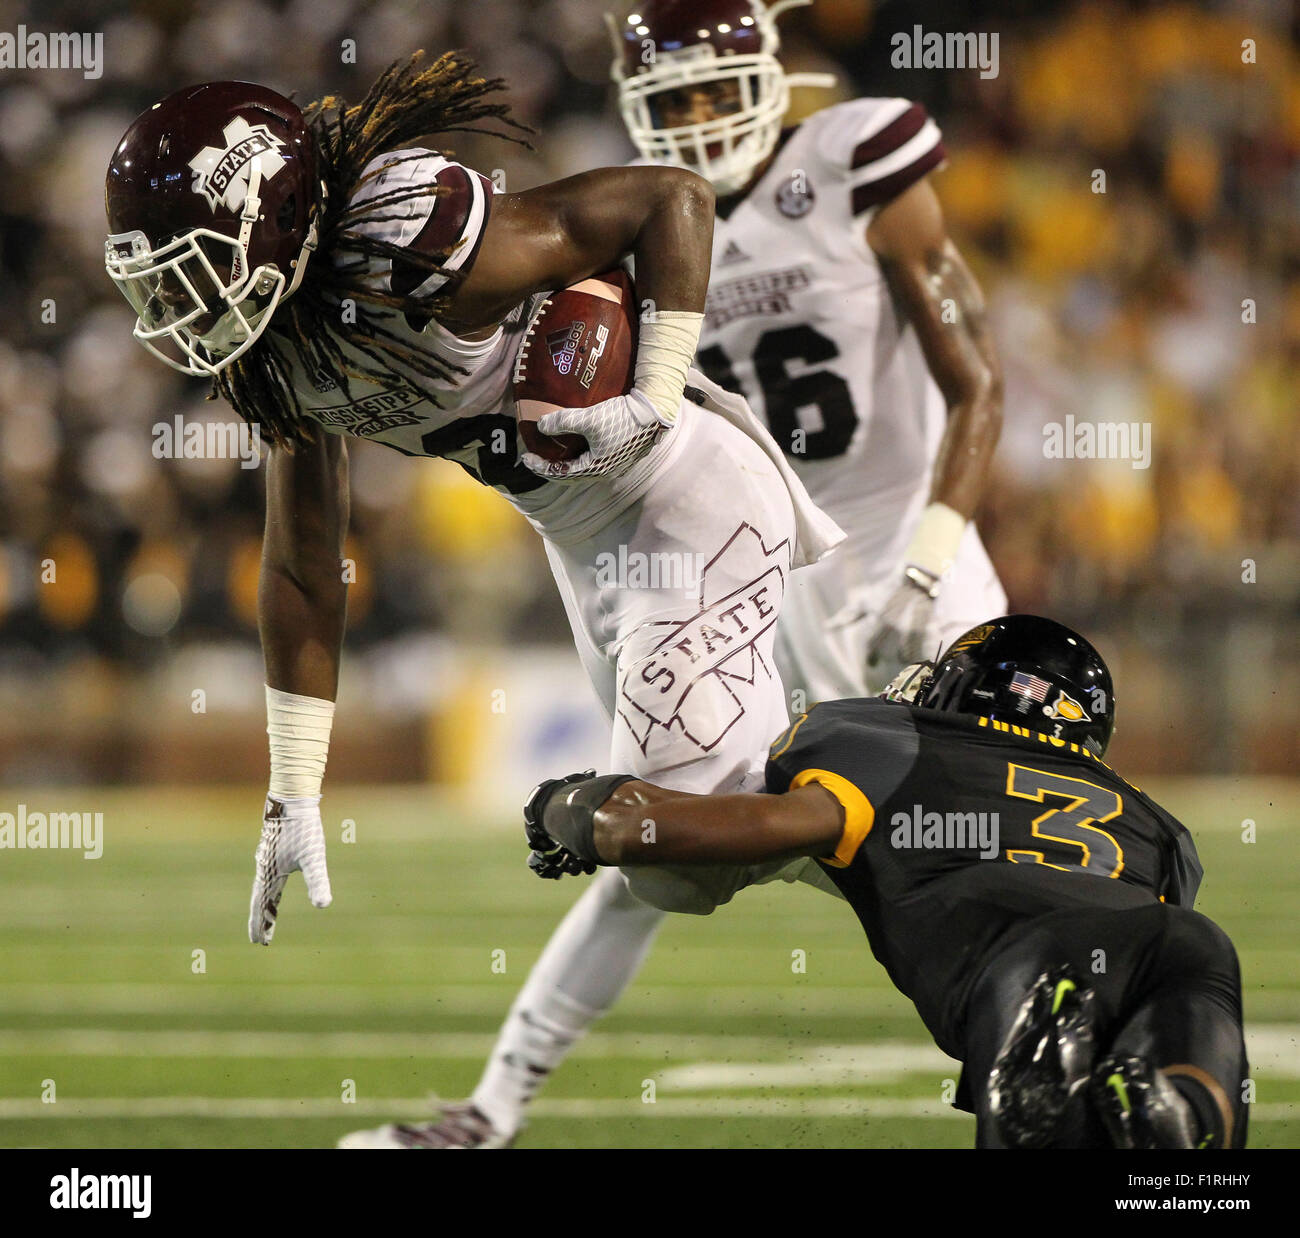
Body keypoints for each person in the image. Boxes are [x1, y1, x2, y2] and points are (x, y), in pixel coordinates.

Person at [103, 51, 843, 1043]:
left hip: (677, 490)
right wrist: (291, 785)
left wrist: (653, 398)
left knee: (670, 840)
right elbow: (302, 561)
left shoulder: (403, 240)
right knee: (679, 869)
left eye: (193, 270)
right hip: (579, 538)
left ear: (268, 217)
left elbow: (669, 196)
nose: (181, 311)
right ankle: (879, 795)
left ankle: (910, 800)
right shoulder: (284, 349)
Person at [426, 0, 1007, 1148]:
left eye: (709, 90)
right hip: (762, 564)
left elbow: (974, 382)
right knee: (657, 831)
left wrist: (927, 566)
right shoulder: (635, 218)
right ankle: (493, 1103)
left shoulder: (850, 157)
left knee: (988, 847)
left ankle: (1081, 1059)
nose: (692, 118)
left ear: (764, 76)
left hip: (910, 555)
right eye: (669, 97)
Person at [523, 615, 1249, 1149]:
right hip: (1184, 942)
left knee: (1045, 1122)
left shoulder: (892, 745)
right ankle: (1179, 1111)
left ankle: (1062, 1072)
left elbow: (684, 831)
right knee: (1182, 1155)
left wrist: (571, 805)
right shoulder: (1158, 827)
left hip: (1028, 959)